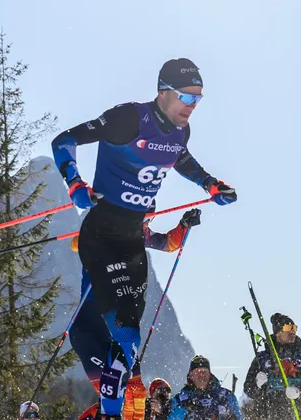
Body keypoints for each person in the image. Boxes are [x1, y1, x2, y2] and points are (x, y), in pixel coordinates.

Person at [52, 58, 237, 419]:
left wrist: (210, 184)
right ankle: (109, 413)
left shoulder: (180, 132)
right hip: (102, 232)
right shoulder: (129, 119)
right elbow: (65, 140)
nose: (191, 106)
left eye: (198, 99)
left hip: (132, 242)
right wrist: (75, 183)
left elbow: (180, 159)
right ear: (163, 92)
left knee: (130, 343)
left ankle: (112, 411)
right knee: (123, 334)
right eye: (186, 96)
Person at [68, 207, 203, 420]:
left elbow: (169, 243)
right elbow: (75, 244)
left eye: (149, 219)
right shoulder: (109, 231)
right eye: (144, 220)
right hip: (91, 325)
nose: (146, 226)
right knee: (119, 387)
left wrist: (183, 226)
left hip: (119, 327)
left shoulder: (140, 236)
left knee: (136, 389)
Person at [242, 313, 301, 420]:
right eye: (287, 328)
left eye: (294, 328)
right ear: (278, 333)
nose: (292, 331)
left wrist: (300, 391)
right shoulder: (262, 359)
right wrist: (257, 385)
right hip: (270, 414)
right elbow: (249, 390)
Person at [167, 356, 242, 420]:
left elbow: (238, 416)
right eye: (198, 372)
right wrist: (184, 409)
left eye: (204, 372)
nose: (201, 374)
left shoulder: (227, 396)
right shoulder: (179, 399)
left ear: (210, 374)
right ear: (191, 376)